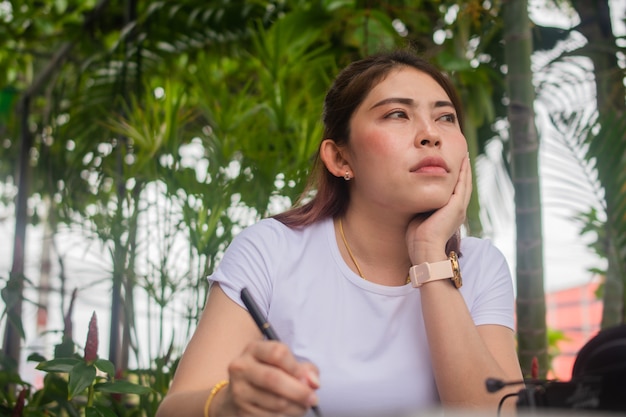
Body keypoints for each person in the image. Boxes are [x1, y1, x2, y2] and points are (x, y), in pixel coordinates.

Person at [156, 49, 523, 417]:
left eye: (446, 117)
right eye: (397, 114)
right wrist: (227, 404)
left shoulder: (480, 264)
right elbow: (172, 409)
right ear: (340, 159)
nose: (430, 134)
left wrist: (430, 255)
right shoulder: (271, 249)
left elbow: (497, 413)